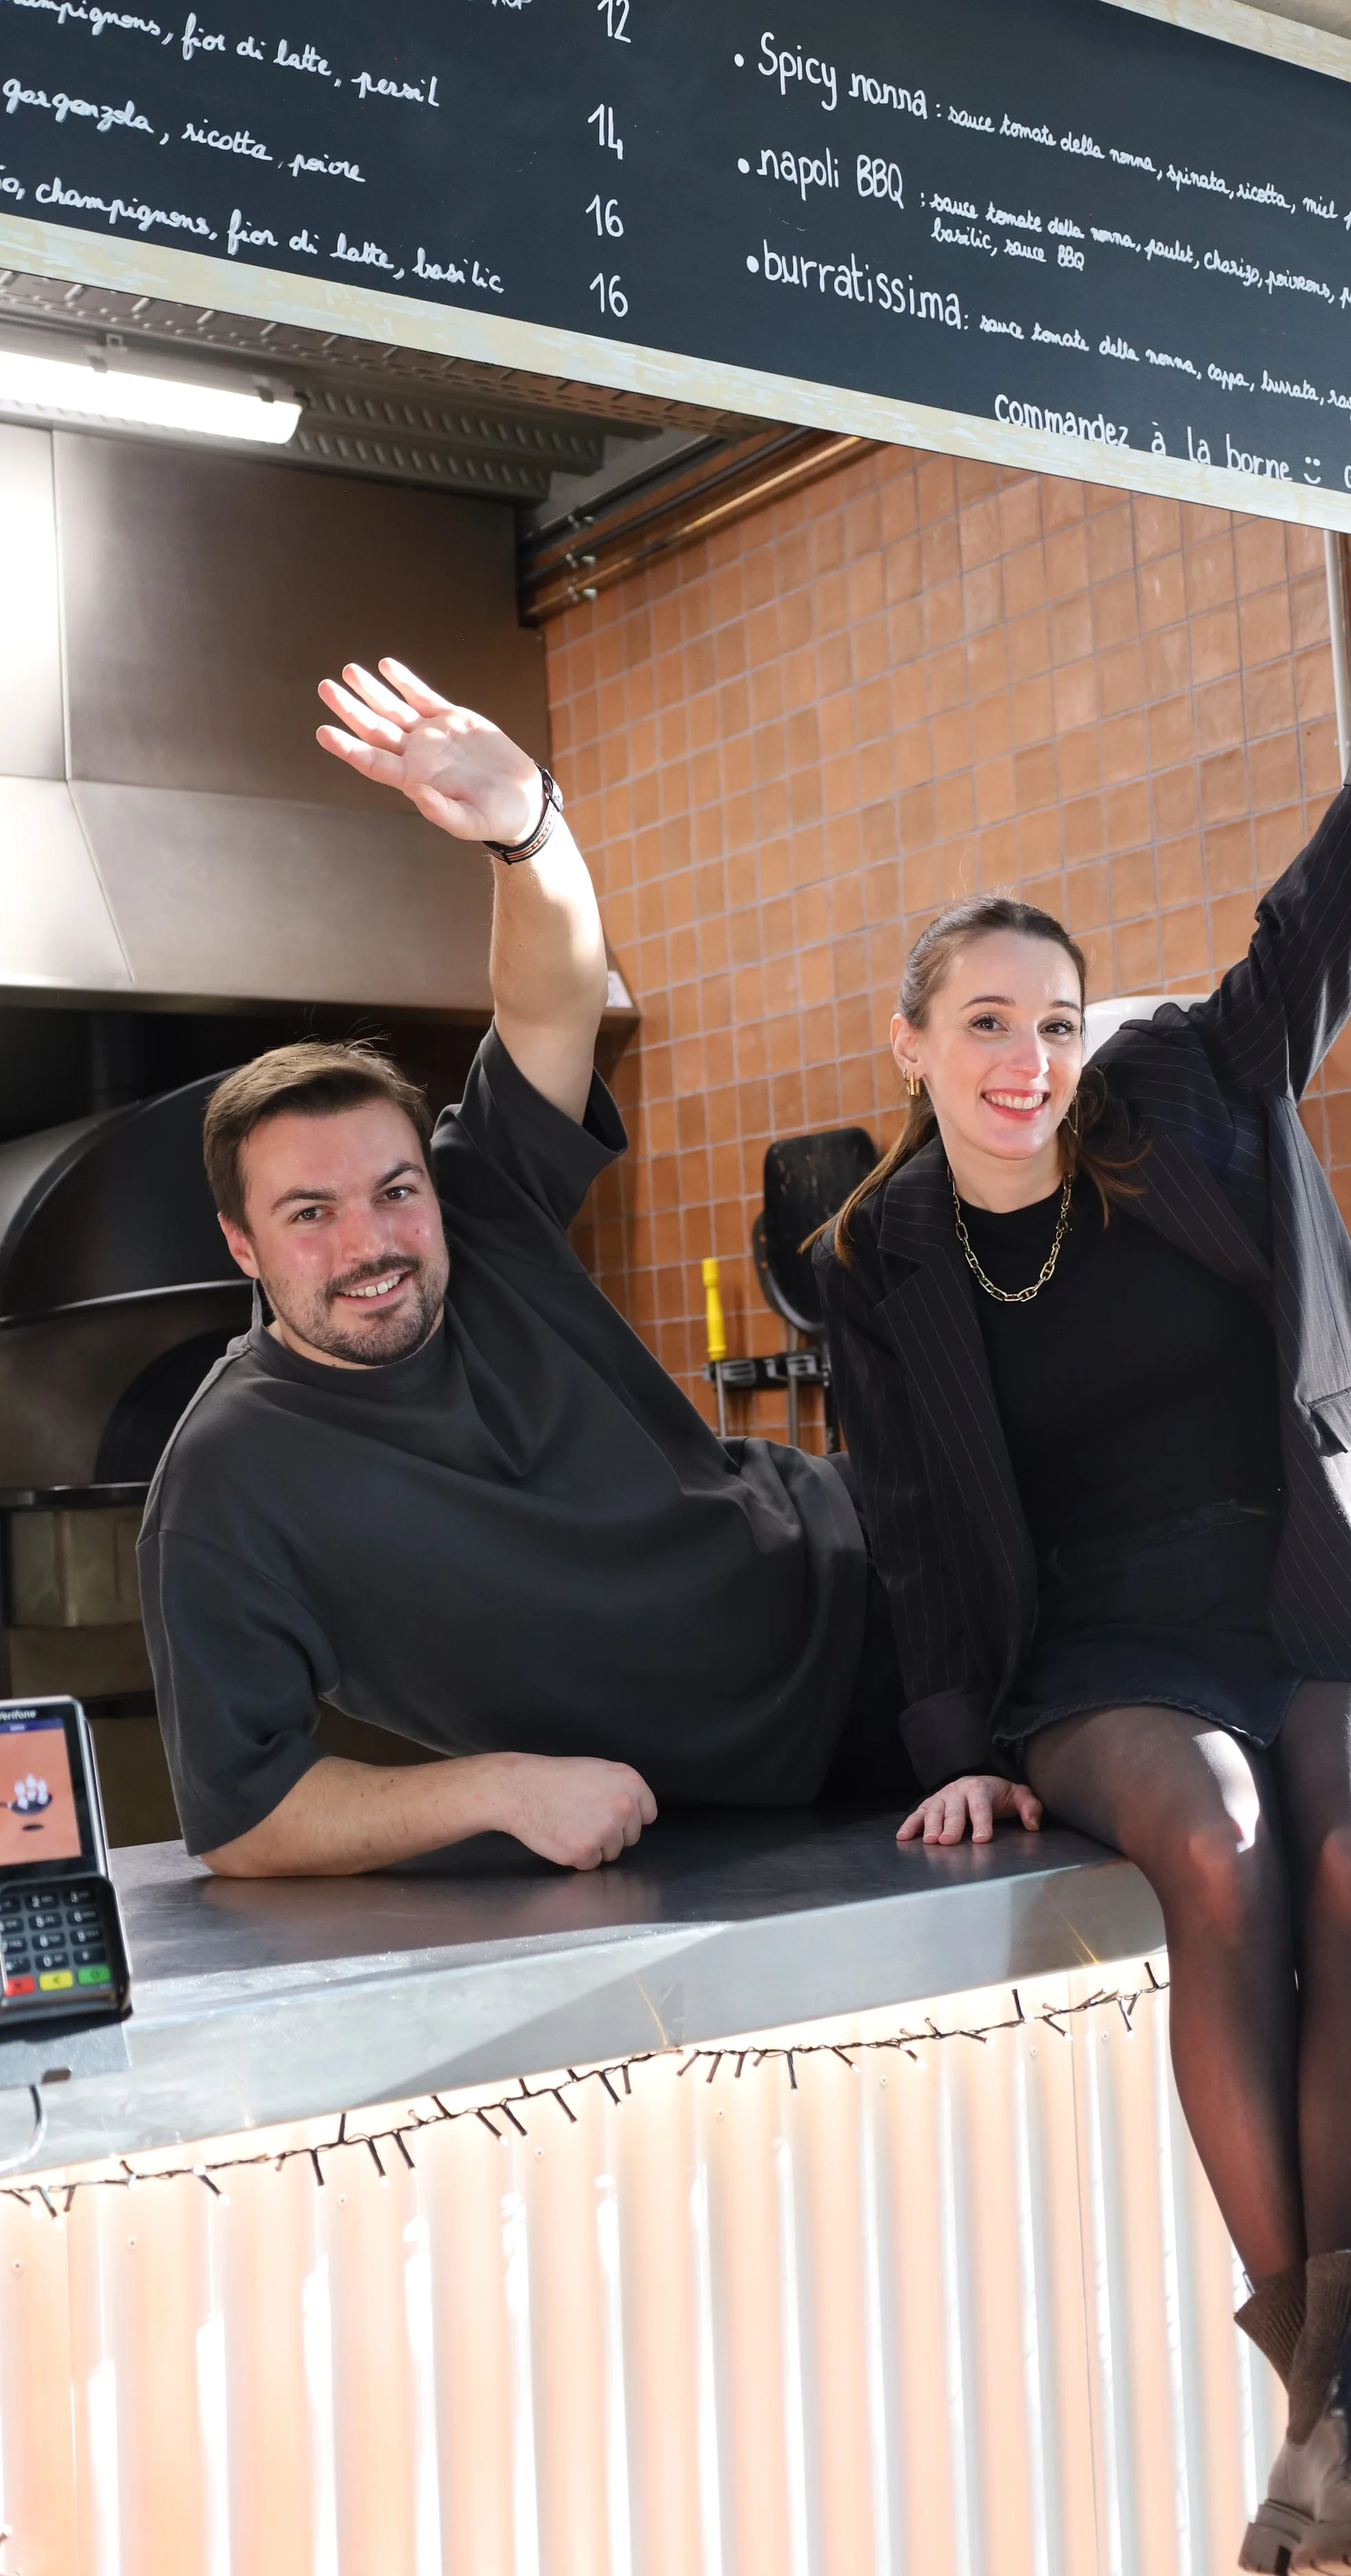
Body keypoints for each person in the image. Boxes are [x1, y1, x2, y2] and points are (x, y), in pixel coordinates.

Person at [815, 595, 1351, 2576]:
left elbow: (1323, 921)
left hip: (1312, 1587)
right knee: (1218, 1846)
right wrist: (955, 1747)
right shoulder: (876, 1261)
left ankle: (1336, 2437)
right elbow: (904, 1516)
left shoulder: (1185, 1098)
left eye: (1053, 1019)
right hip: (1106, 1646)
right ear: (908, 1041)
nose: (1027, 1058)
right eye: (985, 1020)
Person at [140, 659, 909, 1878]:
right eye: (310, 1213)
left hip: (894, 1554)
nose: (371, 1243)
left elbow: (549, 1009)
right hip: (800, 1785)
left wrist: (528, 831)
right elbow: (244, 1814)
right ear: (241, 1244)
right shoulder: (228, 1482)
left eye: (395, 1190)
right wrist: (494, 1787)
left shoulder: (482, 1207)